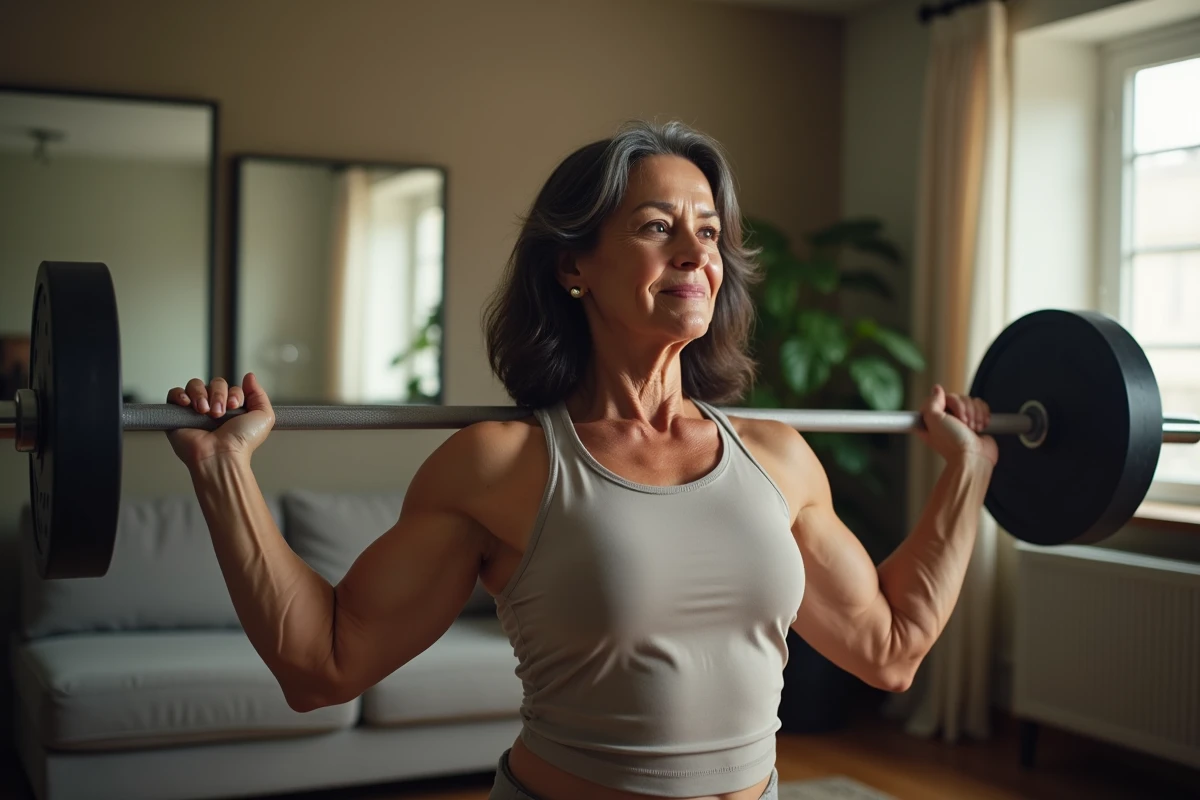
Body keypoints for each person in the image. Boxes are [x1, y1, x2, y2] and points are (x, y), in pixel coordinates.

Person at [166, 120, 997, 800]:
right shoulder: (502, 466)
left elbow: (890, 649)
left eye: (707, 231)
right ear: (573, 265)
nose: (693, 252)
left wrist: (967, 474)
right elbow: (324, 664)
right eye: (654, 226)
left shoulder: (778, 457)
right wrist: (224, 472)